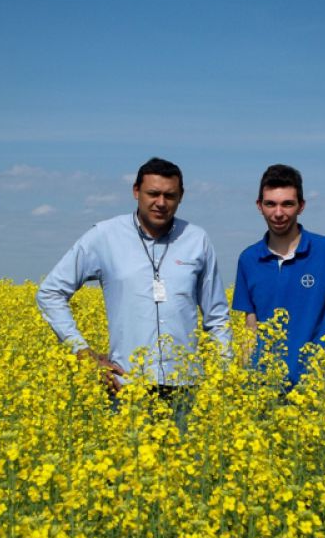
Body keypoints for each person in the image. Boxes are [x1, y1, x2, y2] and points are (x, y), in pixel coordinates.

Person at [37, 157, 230, 395]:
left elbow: (217, 317)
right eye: (153, 193)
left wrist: (223, 376)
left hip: (187, 389)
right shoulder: (105, 236)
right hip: (125, 386)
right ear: (136, 191)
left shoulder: (197, 239)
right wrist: (82, 352)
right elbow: (50, 292)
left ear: (181, 196)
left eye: (169, 196)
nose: (161, 203)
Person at [232, 164, 325, 392]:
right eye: (270, 204)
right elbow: (250, 330)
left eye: (287, 204)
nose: (278, 213)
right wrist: (242, 389)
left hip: (316, 388)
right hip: (264, 390)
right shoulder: (248, 259)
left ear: (301, 206)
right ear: (259, 206)